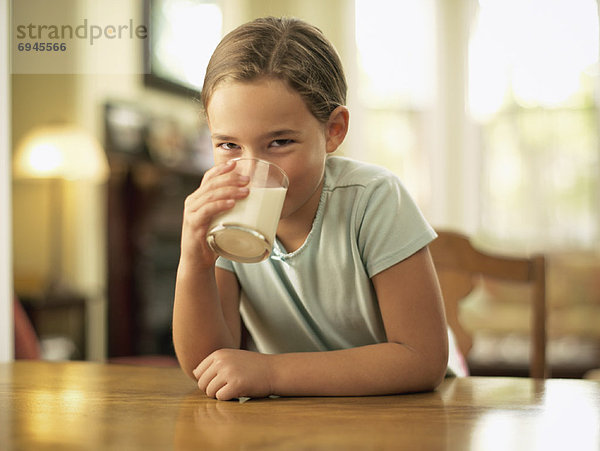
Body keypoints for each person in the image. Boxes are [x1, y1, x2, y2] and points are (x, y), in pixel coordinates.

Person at [173, 16, 466, 401]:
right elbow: (208, 365)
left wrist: (270, 372)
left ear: (333, 131)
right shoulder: (229, 214)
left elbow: (421, 360)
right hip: (300, 418)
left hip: (409, 411)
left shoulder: (374, 199)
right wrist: (193, 260)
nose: (251, 170)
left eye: (278, 142)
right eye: (228, 145)